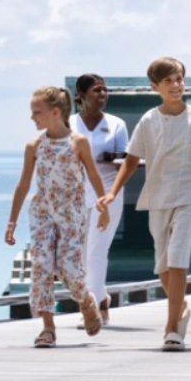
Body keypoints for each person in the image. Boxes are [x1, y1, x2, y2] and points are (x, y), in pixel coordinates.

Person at [99, 57, 191, 351]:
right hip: (157, 198)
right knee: (162, 266)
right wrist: (113, 193)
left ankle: (171, 327)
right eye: (169, 81)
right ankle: (182, 307)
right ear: (155, 86)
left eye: (179, 79)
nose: (176, 85)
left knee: (177, 259)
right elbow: (130, 161)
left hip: (189, 197)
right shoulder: (149, 120)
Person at [5, 87, 109, 347]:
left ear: (55, 112)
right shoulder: (34, 146)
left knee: (69, 269)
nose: (32, 117)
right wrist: (12, 222)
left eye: (36, 112)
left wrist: (102, 206)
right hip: (42, 213)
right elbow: (23, 184)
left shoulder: (78, 142)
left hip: (72, 215)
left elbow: (94, 176)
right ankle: (48, 328)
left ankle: (85, 300)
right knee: (40, 266)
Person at [72, 73, 129, 324]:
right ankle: (102, 297)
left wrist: (114, 158)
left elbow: (126, 161)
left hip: (107, 194)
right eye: (97, 90)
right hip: (75, 196)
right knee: (81, 255)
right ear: (81, 95)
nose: (103, 95)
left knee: (96, 251)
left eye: (105, 90)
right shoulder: (69, 123)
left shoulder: (116, 124)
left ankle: (91, 311)